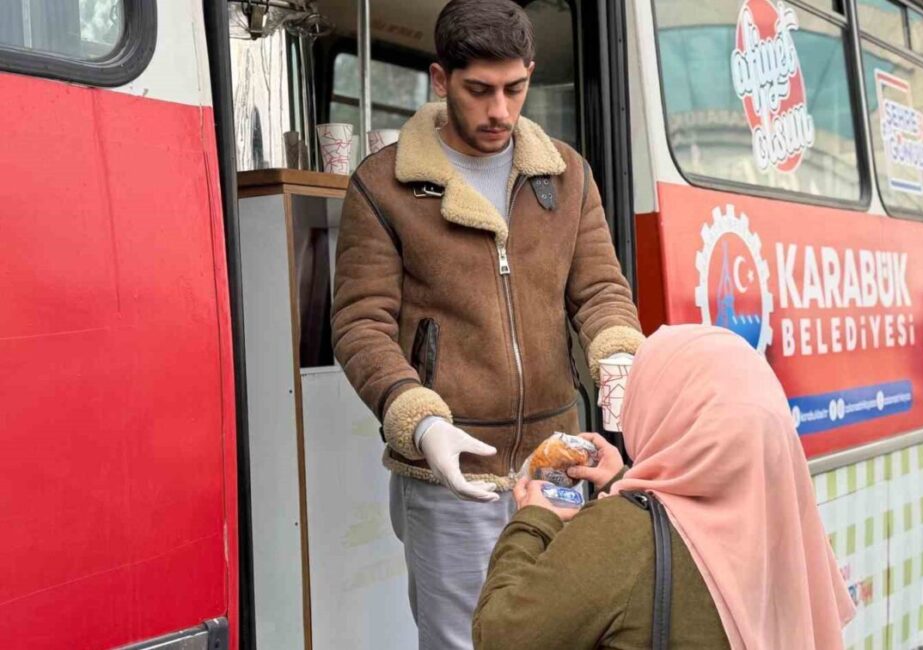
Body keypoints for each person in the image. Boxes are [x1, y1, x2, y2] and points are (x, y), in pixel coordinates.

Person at [331, 0, 644, 646]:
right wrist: (421, 422)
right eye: (479, 90)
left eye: (515, 88)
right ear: (440, 80)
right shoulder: (382, 186)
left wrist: (618, 354)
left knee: (565, 636)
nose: (501, 110)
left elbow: (600, 291)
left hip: (558, 462)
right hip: (451, 470)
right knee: (465, 640)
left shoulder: (567, 175)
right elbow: (361, 324)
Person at [473, 325, 855, 649]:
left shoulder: (621, 532)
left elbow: (501, 636)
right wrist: (624, 481)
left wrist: (533, 521)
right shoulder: (788, 529)